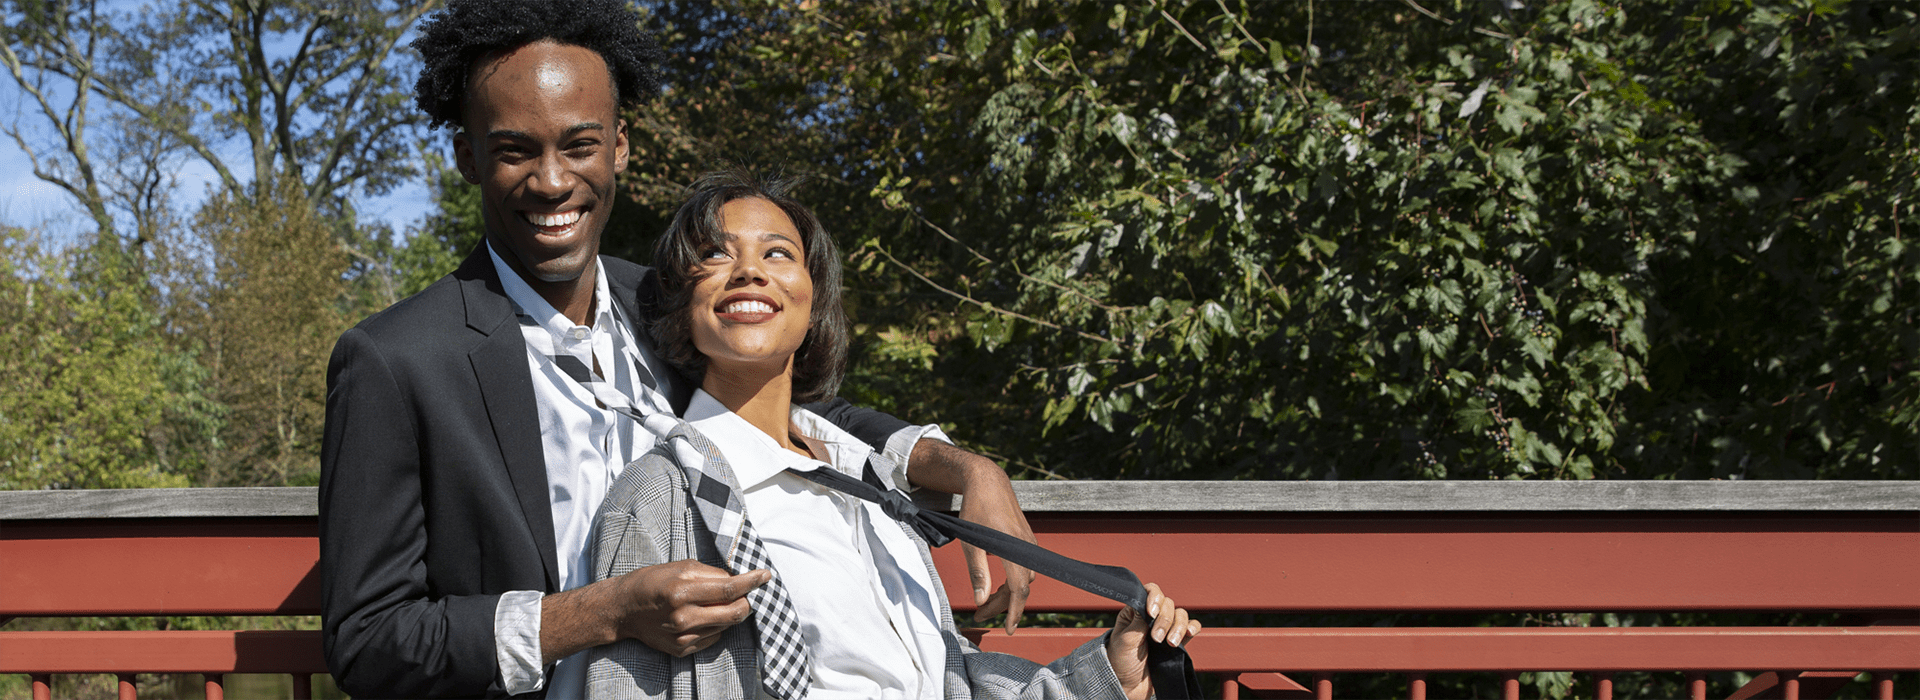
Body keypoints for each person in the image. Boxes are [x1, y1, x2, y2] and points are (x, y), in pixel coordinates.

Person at [318, 1, 1040, 697]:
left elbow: (806, 413)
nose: (553, 181)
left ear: (620, 146)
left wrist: (961, 467)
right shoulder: (395, 360)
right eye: (514, 151)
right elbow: (369, 639)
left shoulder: (671, 300)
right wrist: (599, 613)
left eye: (580, 145)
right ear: (468, 158)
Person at [582, 170, 1201, 700]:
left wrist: (1109, 674)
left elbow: (946, 681)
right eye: (716, 254)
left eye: (777, 253)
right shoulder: (660, 498)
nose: (750, 270)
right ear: (681, 305)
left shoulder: (869, 485)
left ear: (811, 296)